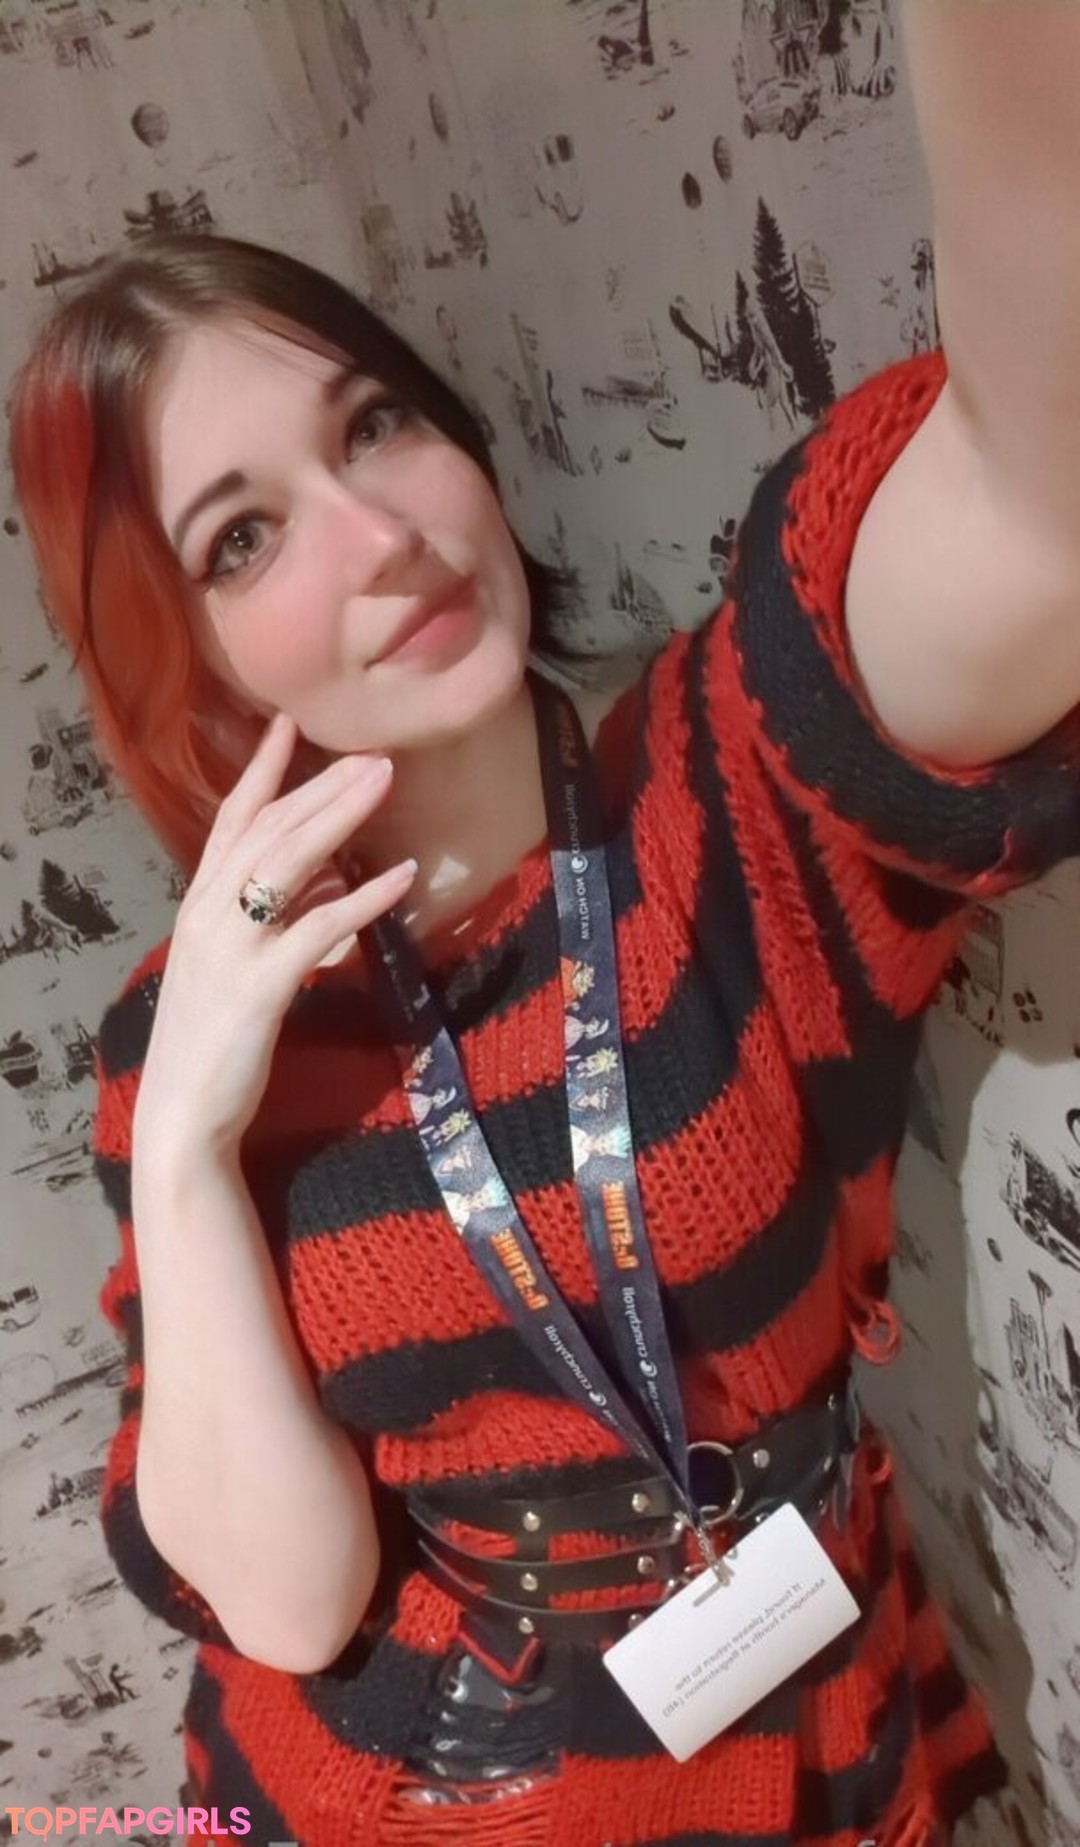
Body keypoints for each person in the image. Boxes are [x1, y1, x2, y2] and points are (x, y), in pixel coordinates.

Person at [10, 8, 1080, 1843]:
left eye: (375, 425)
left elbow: (1038, 502)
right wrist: (180, 1142)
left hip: (796, 1722)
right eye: (243, 539)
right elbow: (289, 1608)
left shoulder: (719, 792)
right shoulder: (194, 1041)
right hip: (409, 1787)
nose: (377, 534)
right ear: (186, 662)